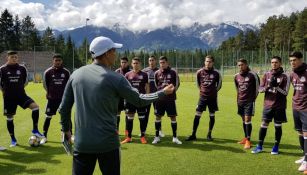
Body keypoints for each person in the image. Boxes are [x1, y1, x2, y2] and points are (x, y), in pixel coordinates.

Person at [59, 36, 175, 175]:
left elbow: (64, 109)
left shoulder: (76, 75)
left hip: (82, 143)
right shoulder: (116, 78)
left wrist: (66, 131)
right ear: (107, 53)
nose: (116, 54)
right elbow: (138, 100)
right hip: (108, 144)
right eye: (114, 51)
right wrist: (162, 92)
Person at [0, 51, 44, 147]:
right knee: (10, 117)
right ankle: (13, 140)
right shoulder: (2, 69)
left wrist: (20, 89)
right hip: (9, 98)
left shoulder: (22, 68)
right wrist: (3, 91)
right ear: (7, 58)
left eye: (16, 57)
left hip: (21, 95)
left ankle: (35, 129)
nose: (14, 59)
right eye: (12, 57)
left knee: (35, 107)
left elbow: (25, 81)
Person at [251, 56, 290, 154]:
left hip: (279, 106)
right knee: (264, 124)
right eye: (272, 62)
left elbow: (285, 93)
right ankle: (260, 146)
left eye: (276, 62)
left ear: (280, 63)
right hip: (268, 105)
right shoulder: (266, 74)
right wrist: (268, 86)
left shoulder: (285, 76)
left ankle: (276, 147)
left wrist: (276, 87)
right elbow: (260, 89)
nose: (274, 64)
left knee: (278, 126)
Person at [186, 55, 222, 141]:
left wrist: (213, 92)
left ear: (212, 63)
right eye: (206, 61)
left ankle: (209, 134)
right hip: (202, 97)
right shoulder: (199, 72)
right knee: (197, 115)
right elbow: (198, 84)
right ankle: (193, 134)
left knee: (212, 116)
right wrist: (203, 91)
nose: (207, 63)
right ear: (204, 62)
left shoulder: (217, 73)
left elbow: (219, 85)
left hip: (212, 98)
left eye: (209, 62)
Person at [40, 54, 70, 144]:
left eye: (59, 60)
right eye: (56, 60)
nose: (58, 62)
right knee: (48, 117)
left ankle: (68, 137)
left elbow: (69, 84)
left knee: (66, 118)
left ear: (62, 61)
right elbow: (45, 84)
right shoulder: (48, 72)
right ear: (53, 61)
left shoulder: (66, 72)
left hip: (63, 99)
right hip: (52, 99)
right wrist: (49, 92)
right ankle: (44, 136)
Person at [152, 56, 182, 144]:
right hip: (160, 99)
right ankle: (157, 137)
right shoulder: (157, 73)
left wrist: (171, 92)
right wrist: (162, 93)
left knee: (173, 117)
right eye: (160, 63)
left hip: (170, 99)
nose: (162, 64)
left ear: (167, 63)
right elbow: (156, 85)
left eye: (163, 62)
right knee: (158, 117)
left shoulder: (173, 72)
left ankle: (175, 137)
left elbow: (177, 84)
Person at [121, 57, 149, 144]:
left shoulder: (144, 74)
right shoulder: (127, 75)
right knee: (129, 118)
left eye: (137, 63)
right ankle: (129, 137)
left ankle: (143, 137)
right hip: (130, 100)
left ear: (139, 64)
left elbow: (147, 87)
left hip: (140, 100)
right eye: (134, 63)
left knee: (142, 119)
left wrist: (146, 97)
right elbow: (125, 88)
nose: (135, 65)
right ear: (131, 64)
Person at [288, 52, 307, 173]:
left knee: (306, 134)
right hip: (295, 107)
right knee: (300, 132)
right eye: (290, 60)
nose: (292, 62)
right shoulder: (292, 74)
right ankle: (305, 156)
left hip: (306, 108)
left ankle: (306, 161)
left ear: (301, 59)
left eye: (294, 60)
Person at [234, 58, 259, 149]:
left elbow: (257, 88)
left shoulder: (253, 75)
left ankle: (248, 141)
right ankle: (245, 137)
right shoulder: (236, 76)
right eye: (239, 65)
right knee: (243, 120)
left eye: (242, 65)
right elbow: (238, 89)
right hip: (240, 101)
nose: (240, 67)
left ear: (246, 64)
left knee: (248, 120)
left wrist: (253, 99)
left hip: (249, 101)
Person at [142, 55, 165, 137]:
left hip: (156, 96)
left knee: (158, 114)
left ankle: (159, 131)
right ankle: (143, 131)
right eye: (150, 60)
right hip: (147, 97)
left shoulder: (159, 71)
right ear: (148, 62)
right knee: (145, 114)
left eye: (153, 60)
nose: (151, 62)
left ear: (155, 61)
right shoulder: (144, 71)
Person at [115, 57, 130, 132]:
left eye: (125, 62)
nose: (123, 64)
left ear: (128, 63)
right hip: (119, 97)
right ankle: (116, 130)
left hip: (127, 97)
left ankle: (127, 131)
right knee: (117, 113)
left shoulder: (131, 72)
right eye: (122, 62)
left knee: (128, 113)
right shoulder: (117, 71)